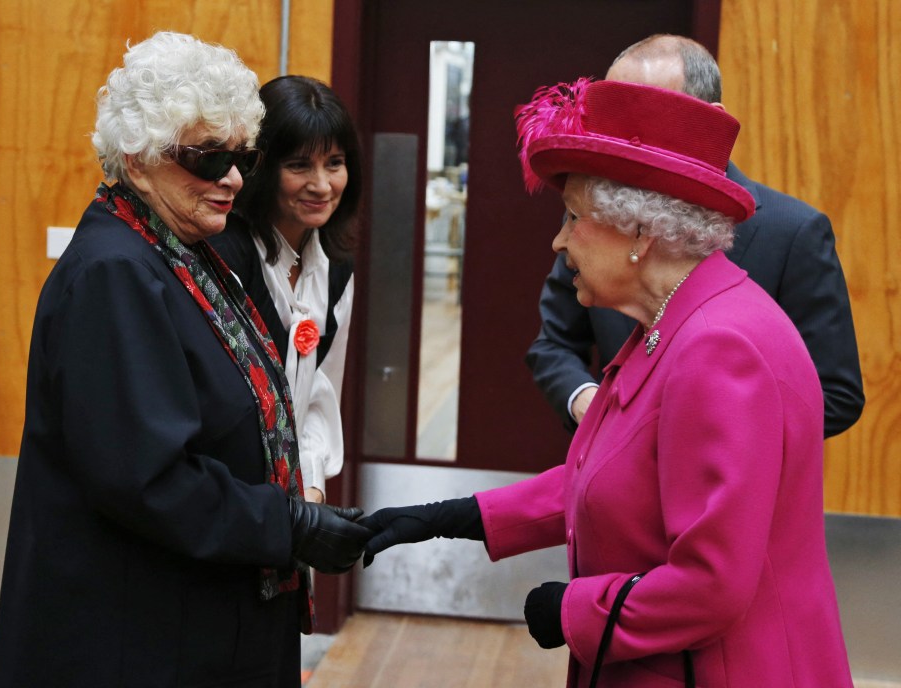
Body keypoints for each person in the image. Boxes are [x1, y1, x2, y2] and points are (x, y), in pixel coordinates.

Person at [360, 77, 853, 686]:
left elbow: (712, 585)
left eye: (574, 217)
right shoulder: (676, 321)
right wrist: (452, 515)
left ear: (641, 235)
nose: (559, 239)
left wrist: (572, 611)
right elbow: (613, 477)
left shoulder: (720, 348)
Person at [0, 32, 371, 688]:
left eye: (240, 157)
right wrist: (290, 523)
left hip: (193, 625)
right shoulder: (114, 271)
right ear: (138, 157)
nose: (231, 179)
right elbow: (147, 479)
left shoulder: (186, 248)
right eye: (206, 158)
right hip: (131, 640)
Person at [526, 34, 864, 437]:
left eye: (650, 113)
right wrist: (590, 404)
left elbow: (835, 393)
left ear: (712, 118)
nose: (627, 139)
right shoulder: (599, 220)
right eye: (616, 116)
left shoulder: (793, 231)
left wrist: (686, 432)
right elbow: (554, 343)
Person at [210, 75, 361, 505]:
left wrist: (310, 485)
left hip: (290, 501)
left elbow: (319, 392)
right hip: (230, 497)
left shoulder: (337, 267)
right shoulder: (224, 255)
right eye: (299, 165)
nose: (322, 184)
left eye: (334, 163)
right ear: (262, 166)